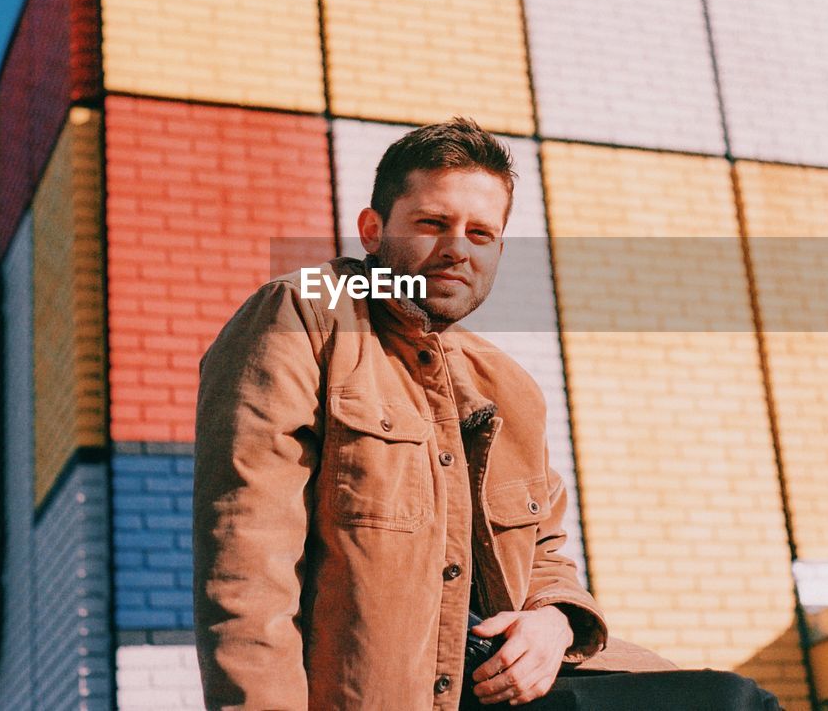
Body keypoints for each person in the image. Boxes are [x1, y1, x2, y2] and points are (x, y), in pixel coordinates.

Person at [192, 118, 781, 710]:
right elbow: (249, 562)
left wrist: (554, 624)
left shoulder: (507, 385)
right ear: (372, 230)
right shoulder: (304, 314)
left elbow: (546, 555)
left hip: (511, 684)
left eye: (481, 233)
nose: (457, 248)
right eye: (432, 223)